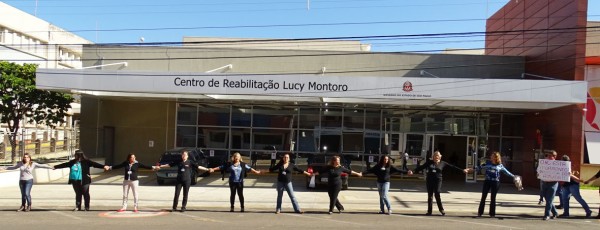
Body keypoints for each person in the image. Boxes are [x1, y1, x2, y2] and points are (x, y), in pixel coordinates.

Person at [465, 151, 516, 218]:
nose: (491, 157)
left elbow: (507, 172)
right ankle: (480, 212)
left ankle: (492, 214)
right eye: (491, 156)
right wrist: (468, 170)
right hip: (487, 181)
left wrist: (514, 176)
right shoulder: (487, 163)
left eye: (492, 156)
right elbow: (478, 167)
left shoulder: (500, 165)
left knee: (493, 198)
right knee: (483, 197)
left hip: (495, 182)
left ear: (496, 158)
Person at [414, 151, 465, 216]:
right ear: (433, 157)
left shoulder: (443, 163)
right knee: (430, 196)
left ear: (440, 156)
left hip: (438, 180)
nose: (436, 157)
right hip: (429, 180)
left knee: (437, 193)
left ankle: (441, 209)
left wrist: (462, 170)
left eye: (437, 155)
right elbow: (421, 167)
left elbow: (452, 166)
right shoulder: (429, 162)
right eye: (435, 155)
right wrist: (413, 171)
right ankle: (429, 211)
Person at [538, 150, 559, 220]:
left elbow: (562, 172)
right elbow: (538, 171)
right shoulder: (544, 163)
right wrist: (538, 173)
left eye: (550, 156)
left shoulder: (558, 165)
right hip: (544, 183)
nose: (548, 157)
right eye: (548, 155)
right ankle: (555, 212)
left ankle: (547, 215)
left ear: (555, 157)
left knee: (549, 200)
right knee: (547, 199)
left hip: (553, 183)